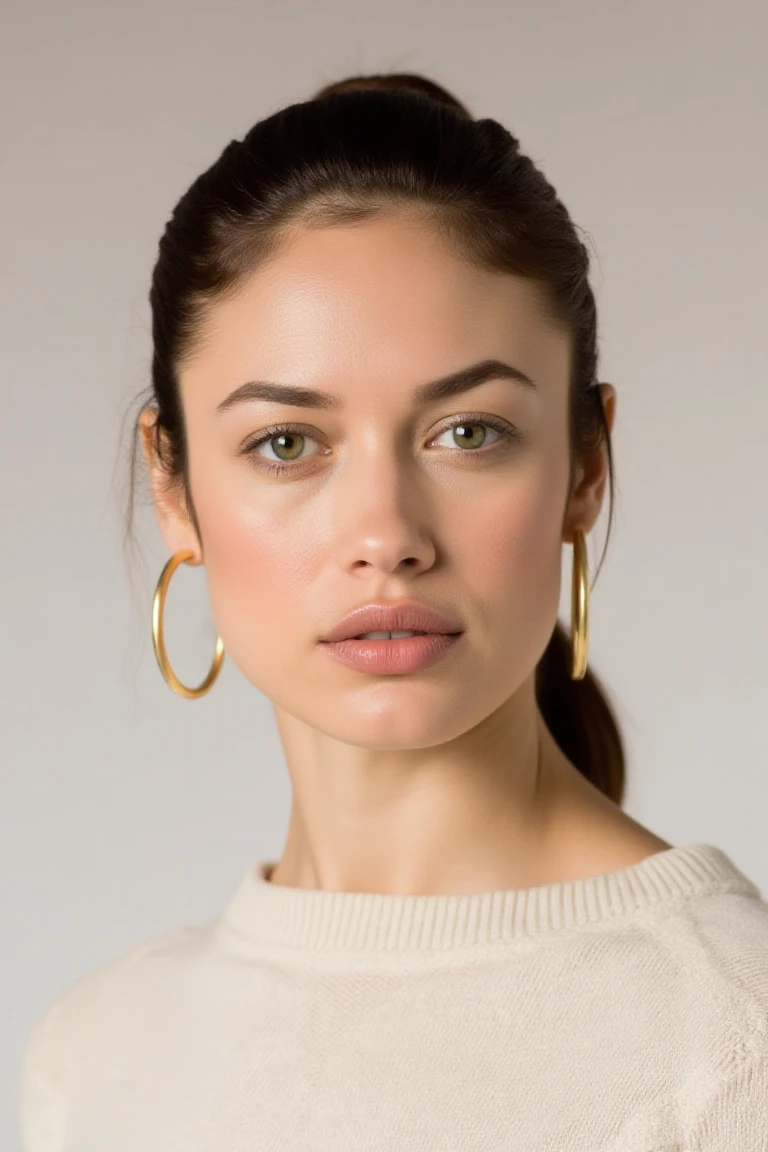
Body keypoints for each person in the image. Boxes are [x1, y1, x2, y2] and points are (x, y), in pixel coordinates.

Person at [18, 72, 768, 1151]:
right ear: (173, 486)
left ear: (586, 466)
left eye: (468, 432)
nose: (387, 533)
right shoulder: (91, 1058)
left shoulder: (734, 1048)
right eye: (287, 444)